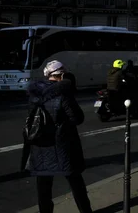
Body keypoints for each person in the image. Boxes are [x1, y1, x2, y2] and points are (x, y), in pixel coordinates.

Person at [24, 60, 92, 213]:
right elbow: (77, 118)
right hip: (63, 144)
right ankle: (85, 211)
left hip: (40, 144)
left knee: (43, 185)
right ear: (61, 75)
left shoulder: (34, 94)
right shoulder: (63, 93)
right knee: (75, 182)